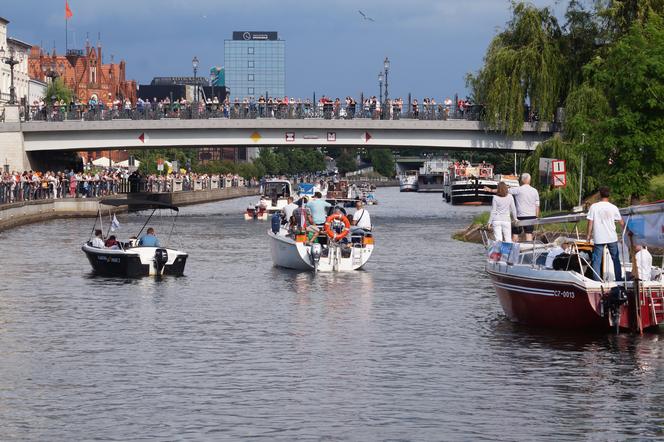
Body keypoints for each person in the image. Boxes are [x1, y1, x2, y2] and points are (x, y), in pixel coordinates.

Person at [484, 173, 540, 242]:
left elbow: (504, 190)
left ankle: (512, 249)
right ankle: (530, 249)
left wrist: (491, 190)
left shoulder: (518, 189)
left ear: (522, 181)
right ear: (529, 180)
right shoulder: (535, 191)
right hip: (531, 216)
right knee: (529, 234)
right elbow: (537, 205)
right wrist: (536, 217)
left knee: (515, 234)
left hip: (519, 216)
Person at [586, 186, 625, 281]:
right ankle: (619, 280)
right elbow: (621, 222)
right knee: (615, 259)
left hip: (599, 237)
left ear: (600, 194)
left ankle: (597, 281)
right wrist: (628, 232)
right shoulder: (613, 207)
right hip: (612, 237)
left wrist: (588, 236)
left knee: (597, 261)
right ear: (609, 195)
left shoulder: (594, 207)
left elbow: (590, 223)